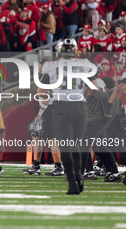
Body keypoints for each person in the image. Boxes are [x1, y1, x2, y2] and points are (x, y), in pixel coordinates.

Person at [38, 38, 98, 194]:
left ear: (59, 50)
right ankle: (79, 173)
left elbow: (41, 92)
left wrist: (51, 97)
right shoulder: (84, 63)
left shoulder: (50, 65)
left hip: (61, 106)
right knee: (76, 144)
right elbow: (95, 88)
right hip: (80, 106)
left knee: (65, 146)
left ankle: (72, 181)